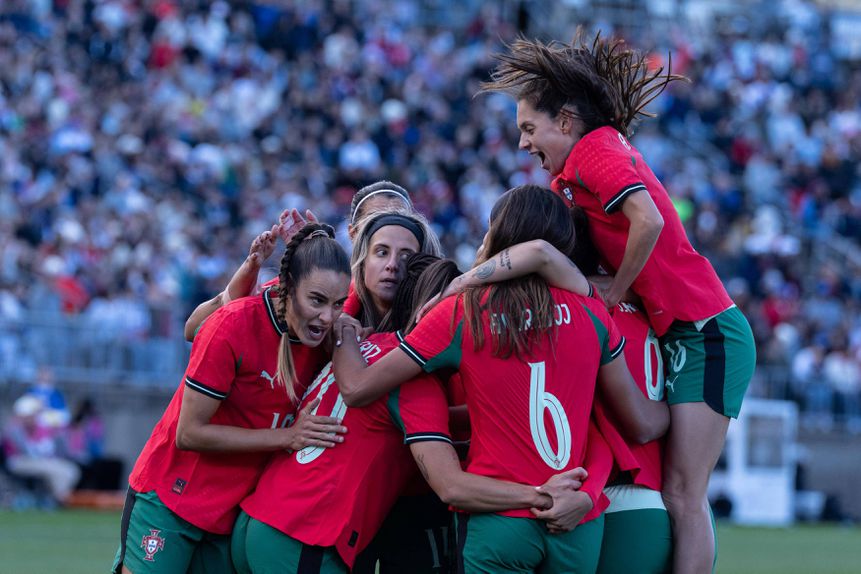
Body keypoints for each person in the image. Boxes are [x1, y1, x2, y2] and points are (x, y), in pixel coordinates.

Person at [481, 32, 757, 573]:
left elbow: (648, 220)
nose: (521, 144)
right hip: (683, 331)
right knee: (679, 489)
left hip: (709, 331)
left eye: (527, 128)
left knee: (683, 491)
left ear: (565, 121)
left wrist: (617, 288)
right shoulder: (573, 171)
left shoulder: (593, 149)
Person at [333, 185, 669, 573]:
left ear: (499, 235)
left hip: (500, 522)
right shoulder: (594, 312)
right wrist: (686, 402)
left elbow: (358, 388)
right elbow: (617, 424)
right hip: (575, 524)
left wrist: (344, 325)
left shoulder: (460, 311)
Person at [232, 252, 590, 574]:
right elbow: (451, 487)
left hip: (260, 519)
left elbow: (435, 420)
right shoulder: (414, 381)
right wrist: (541, 495)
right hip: (303, 537)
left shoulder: (367, 348)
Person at [112, 223, 351, 574]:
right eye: (317, 300)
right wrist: (288, 436)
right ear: (287, 287)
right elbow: (189, 433)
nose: (327, 317)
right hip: (170, 500)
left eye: (338, 304)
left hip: (228, 517)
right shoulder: (235, 325)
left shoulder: (318, 335)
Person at [183, 181, 414, 342]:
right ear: (353, 233)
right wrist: (249, 271)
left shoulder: (432, 296)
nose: (390, 231)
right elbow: (195, 328)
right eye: (376, 223)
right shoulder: (315, 287)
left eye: (403, 223)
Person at [1, 394, 80, 506]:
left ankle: (58, 497)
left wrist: (57, 433)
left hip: (36, 460)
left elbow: (54, 449)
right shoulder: (14, 429)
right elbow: (27, 451)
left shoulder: (38, 428)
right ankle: (59, 499)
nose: (35, 417)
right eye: (33, 414)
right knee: (53, 468)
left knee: (69, 470)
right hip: (19, 461)